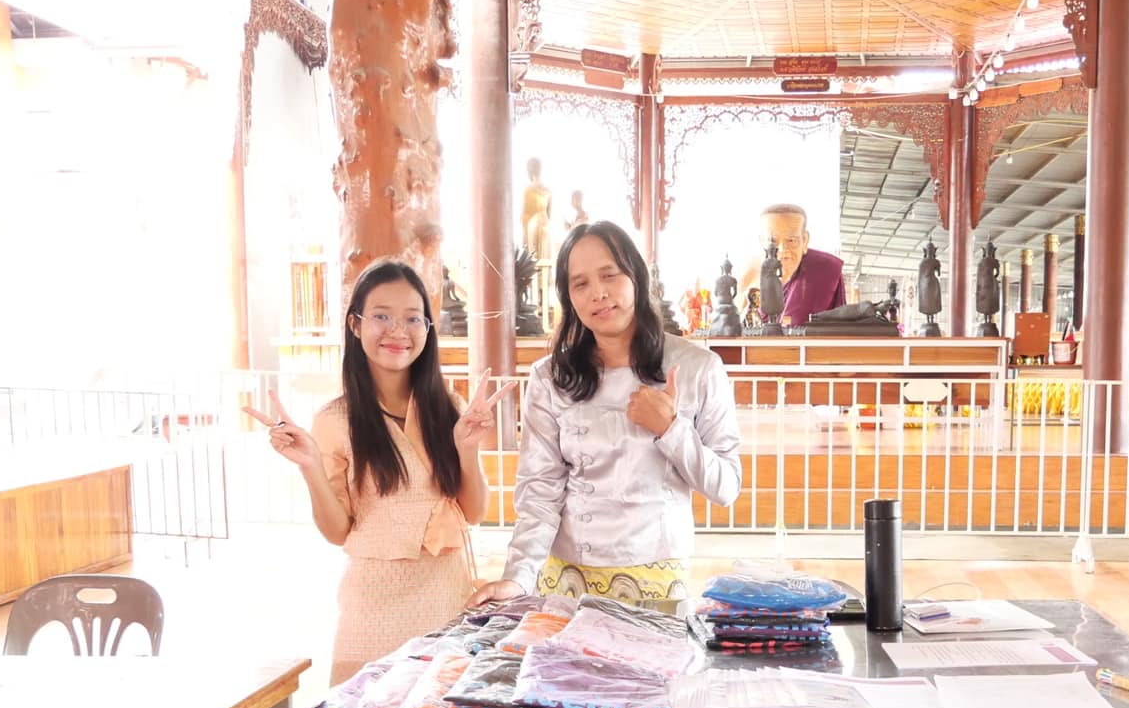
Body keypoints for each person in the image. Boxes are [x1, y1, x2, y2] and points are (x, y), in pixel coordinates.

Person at [248, 259, 516, 683]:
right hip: (372, 611)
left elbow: (473, 512)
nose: (398, 331)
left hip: (447, 600)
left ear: (428, 329)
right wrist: (311, 466)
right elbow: (338, 531)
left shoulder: (449, 408)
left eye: (412, 318)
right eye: (382, 316)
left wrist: (468, 449)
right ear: (355, 325)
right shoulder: (335, 420)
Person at [468, 220, 742, 606]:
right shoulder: (550, 377)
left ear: (636, 277)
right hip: (566, 579)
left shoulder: (698, 368)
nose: (598, 293)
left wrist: (671, 429)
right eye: (580, 284)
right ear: (568, 298)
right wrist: (517, 577)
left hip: (657, 580)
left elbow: (726, 487)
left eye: (609, 275)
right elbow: (540, 491)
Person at [761, 203, 846, 327]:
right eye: (773, 241)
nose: (783, 249)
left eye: (791, 240)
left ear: (804, 240)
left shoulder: (824, 269)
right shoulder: (753, 274)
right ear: (762, 242)